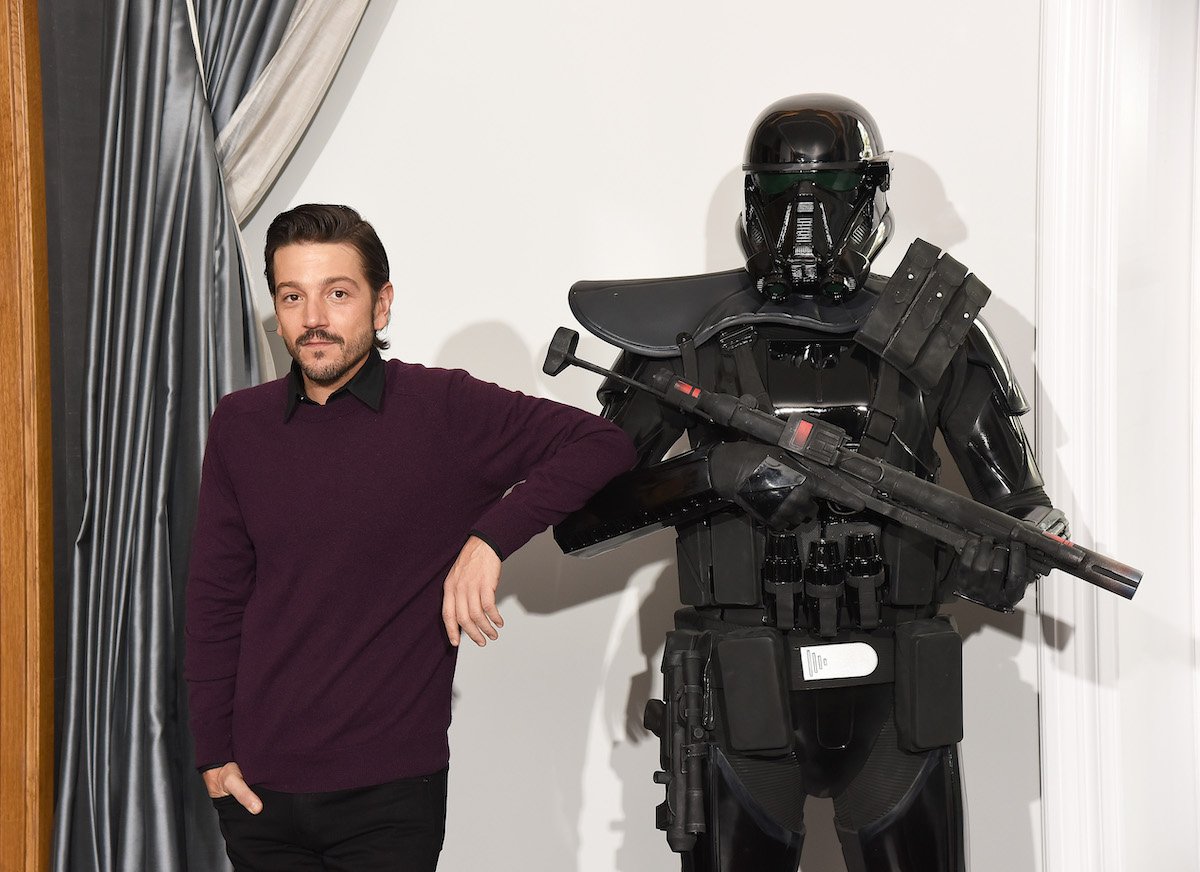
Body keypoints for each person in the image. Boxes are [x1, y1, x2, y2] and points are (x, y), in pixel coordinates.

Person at [552, 94, 1069, 871]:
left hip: (899, 691)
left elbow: (1024, 509)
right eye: (780, 193)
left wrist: (1009, 558)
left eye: (827, 194)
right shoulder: (684, 337)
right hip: (739, 683)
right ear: (751, 196)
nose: (803, 222)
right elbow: (581, 518)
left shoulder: (937, 332)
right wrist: (715, 471)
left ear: (869, 195)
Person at [184, 203, 635, 871]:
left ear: (381, 304)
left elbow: (603, 444)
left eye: (338, 293)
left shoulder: (442, 409)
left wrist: (489, 539)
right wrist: (214, 756)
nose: (314, 317)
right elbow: (215, 600)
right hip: (259, 798)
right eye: (292, 296)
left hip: (387, 801)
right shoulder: (240, 424)